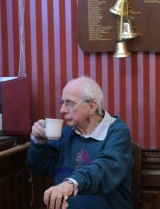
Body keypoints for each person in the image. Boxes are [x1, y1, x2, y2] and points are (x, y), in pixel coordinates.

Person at [27, 76, 134, 209]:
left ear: (91, 107)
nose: (62, 110)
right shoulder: (67, 133)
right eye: (62, 103)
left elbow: (105, 168)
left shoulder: (117, 132)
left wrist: (71, 184)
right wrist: (39, 141)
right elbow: (41, 167)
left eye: (70, 103)